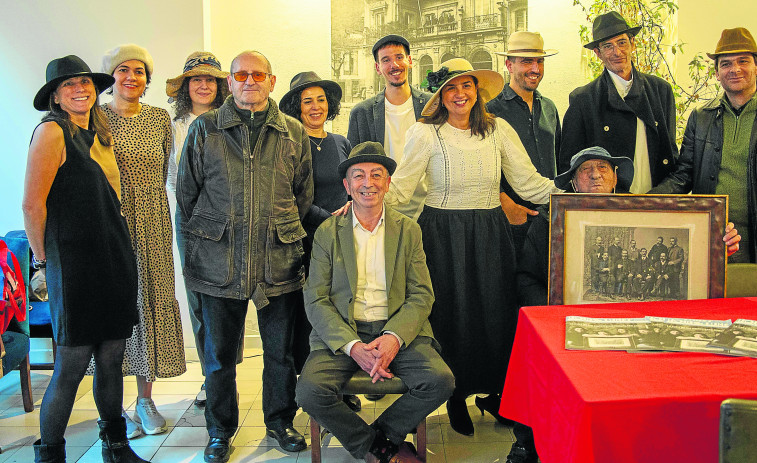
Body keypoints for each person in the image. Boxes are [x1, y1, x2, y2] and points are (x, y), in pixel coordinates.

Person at [513, 146, 740, 462]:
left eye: (604, 167)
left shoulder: (653, 212)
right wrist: (555, 312)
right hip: (569, 328)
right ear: (573, 183)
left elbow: (692, 258)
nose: (595, 174)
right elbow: (526, 278)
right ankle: (530, 442)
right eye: (586, 169)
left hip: (643, 331)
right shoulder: (550, 221)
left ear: (616, 177)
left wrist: (716, 246)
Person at [384, 58, 560, 436]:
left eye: (466, 85)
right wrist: (367, 203)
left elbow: (528, 184)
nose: (459, 94)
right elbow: (401, 188)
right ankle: (455, 395)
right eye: (451, 87)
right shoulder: (424, 133)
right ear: (441, 96)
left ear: (477, 91)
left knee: (496, 313)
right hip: (441, 234)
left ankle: (496, 394)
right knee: (452, 315)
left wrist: (576, 199)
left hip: (491, 233)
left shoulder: (498, 130)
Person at [177, 50, 313, 462]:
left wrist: (280, 226)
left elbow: (302, 195)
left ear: (271, 81)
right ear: (230, 83)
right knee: (219, 357)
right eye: (241, 75)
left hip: (279, 260)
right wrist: (212, 235)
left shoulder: (293, 131)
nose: (249, 81)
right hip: (219, 262)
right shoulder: (205, 129)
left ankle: (279, 421)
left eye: (257, 74)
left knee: (280, 353)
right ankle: (219, 431)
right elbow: (187, 195)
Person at [296, 142, 455, 463]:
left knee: (440, 381)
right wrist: (352, 346)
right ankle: (376, 446)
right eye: (358, 176)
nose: (367, 183)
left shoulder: (408, 230)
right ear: (347, 185)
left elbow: (422, 293)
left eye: (376, 175)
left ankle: (379, 439)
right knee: (309, 391)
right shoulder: (328, 231)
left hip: (397, 331)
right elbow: (315, 298)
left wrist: (394, 338)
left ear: (388, 182)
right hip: (342, 335)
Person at [24, 55, 145, 463]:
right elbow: (31, 205)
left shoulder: (98, 132)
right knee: (72, 365)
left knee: (112, 360)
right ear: (56, 96)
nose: (80, 89)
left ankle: (115, 446)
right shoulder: (51, 131)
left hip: (114, 258)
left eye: (85, 82)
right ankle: (50, 455)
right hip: (74, 266)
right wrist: (44, 263)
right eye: (69, 84)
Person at [100, 43, 186, 438]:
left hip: (153, 221)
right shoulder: (95, 118)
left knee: (150, 304)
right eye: (123, 70)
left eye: (139, 71)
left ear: (147, 79)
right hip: (110, 222)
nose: (131, 77)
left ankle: (145, 399)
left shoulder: (158, 119)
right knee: (115, 310)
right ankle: (112, 407)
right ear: (111, 76)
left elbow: (168, 172)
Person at [279, 70, 359, 410]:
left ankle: (342, 383)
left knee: (343, 309)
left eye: (321, 100)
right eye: (307, 101)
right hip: (307, 241)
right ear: (297, 107)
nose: (315, 107)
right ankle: (311, 384)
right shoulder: (289, 142)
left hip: (344, 240)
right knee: (310, 313)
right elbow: (291, 193)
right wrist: (328, 222)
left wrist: (353, 214)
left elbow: (355, 182)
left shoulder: (341, 142)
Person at [650, 27, 757, 263]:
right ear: (717, 73)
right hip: (713, 239)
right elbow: (684, 174)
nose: (735, 69)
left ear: (756, 67)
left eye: (743, 61)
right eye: (726, 63)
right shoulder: (702, 116)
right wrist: (645, 201)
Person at [165, 51, 235, 409]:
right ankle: (212, 378)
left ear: (220, 86)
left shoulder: (232, 121)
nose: (204, 85)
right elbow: (170, 177)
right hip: (190, 219)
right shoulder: (172, 125)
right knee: (198, 301)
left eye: (210, 79)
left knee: (230, 297)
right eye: (197, 79)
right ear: (186, 87)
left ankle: (227, 374)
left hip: (231, 219)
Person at [559, 11, 677, 193]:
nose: (617, 52)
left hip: (654, 202)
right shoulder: (583, 100)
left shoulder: (661, 91)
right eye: (608, 46)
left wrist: (664, 194)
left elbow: (669, 152)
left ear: (633, 43)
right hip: (608, 206)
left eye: (622, 42)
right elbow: (570, 166)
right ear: (597, 53)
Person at [487, 31, 561, 249]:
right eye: (527, 62)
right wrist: (507, 205)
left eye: (539, 61)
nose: (535, 69)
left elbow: (560, 159)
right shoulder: (491, 110)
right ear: (509, 66)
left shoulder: (549, 107)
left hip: (549, 218)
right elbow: (482, 169)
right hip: (509, 220)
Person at [348, 35, 431, 221]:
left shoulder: (432, 106)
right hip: (381, 209)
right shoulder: (362, 113)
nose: (394, 64)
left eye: (399, 57)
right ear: (378, 68)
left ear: (409, 61)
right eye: (386, 60)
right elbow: (353, 168)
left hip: (428, 210)